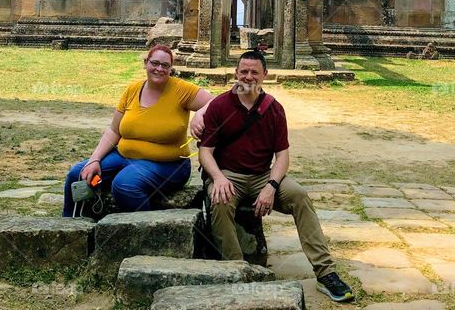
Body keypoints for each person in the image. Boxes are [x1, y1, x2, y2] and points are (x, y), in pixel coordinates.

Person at [198, 50, 355, 303]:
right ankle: (237, 271)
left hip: (262, 175)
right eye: (243, 72)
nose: (248, 77)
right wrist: (217, 177)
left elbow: (282, 156)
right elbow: (205, 151)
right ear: (235, 73)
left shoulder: (273, 108)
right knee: (220, 200)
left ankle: (326, 272)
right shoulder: (220, 105)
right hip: (229, 174)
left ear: (265, 76)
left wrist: (271, 186)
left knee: (299, 196)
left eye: (254, 72)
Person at [63, 45, 212, 216]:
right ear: (145, 63)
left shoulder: (181, 90)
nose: (159, 69)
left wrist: (200, 113)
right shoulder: (132, 90)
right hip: (123, 157)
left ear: (171, 68)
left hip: (169, 165)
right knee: (77, 174)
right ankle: (73, 228)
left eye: (165, 65)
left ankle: (146, 235)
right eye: (154, 63)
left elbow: (217, 102)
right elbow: (113, 131)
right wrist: (94, 160)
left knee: (124, 184)